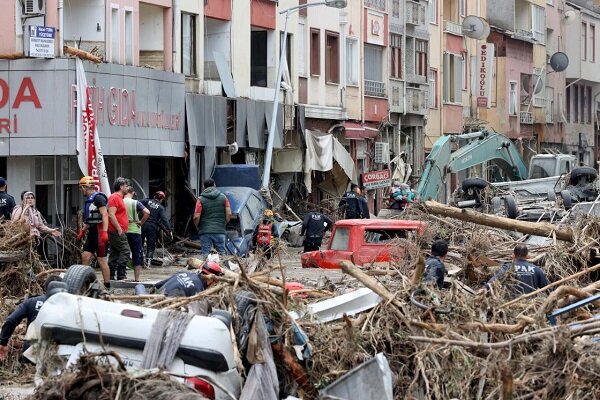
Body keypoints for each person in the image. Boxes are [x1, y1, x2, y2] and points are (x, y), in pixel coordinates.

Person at [0, 276, 63, 360]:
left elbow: (11, 320)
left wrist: (3, 342)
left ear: (45, 288)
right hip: (58, 353)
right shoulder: (69, 306)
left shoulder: (32, 302)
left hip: (31, 351)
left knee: (28, 371)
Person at [78, 176, 111, 289]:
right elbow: (91, 218)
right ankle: (86, 282)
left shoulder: (98, 198)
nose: (81, 191)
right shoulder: (90, 200)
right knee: (85, 256)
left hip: (100, 232)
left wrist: (105, 232)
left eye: (81, 188)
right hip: (92, 231)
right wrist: (83, 230)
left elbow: (105, 215)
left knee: (101, 260)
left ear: (85, 187)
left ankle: (107, 285)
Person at [483, 244, 549, 294]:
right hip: (531, 306)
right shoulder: (536, 269)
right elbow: (547, 289)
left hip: (511, 306)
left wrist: (483, 289)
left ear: (513, 255)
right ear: (527, 256)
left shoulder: (507, 267)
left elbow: (493, 281)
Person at [193, 178, 232, 255]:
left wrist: (198, 227)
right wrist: (223, 224)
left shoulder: (200, 199)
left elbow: (196, 217)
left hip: (205, 232)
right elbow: (229, 214)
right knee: (222, 256)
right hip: (220, 231)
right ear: (215, 185)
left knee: (205, 255)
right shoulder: (224, 197)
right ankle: (222, 266)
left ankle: (207, 267)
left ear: (204, 187)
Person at [107, 177, 132, 281]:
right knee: (125, 250)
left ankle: (111, 276)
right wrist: (119, 228)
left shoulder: (119, 198)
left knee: (114, 253)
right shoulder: (114, 197)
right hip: (116, 230)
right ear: (121, 187)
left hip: (116, 230)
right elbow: (111, 215)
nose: (128, 188)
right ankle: (121, 275)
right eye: (126, 186)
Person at [124, 187, 150, 282]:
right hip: (135, 230)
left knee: (123, 253)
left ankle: (120, 276)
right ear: (133, 193)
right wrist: (141, 222)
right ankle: (137, 279)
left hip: (123, 230)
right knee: (136, 254)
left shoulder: (120, 201)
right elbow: (147, 212)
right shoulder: (135, 203)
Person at [154, 261, 223, 297]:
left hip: (155, 296)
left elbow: (158, 285)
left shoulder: (184, 273)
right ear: (211, 279)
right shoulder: (198, 289)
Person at [140, 190, 173, 265]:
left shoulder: (146, 201)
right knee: (151, 245)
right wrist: (169, 229)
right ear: (161, 199)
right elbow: (164, 220)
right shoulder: (161, 208)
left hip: (142, 225)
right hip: (152, 228)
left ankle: (139, 260)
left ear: (154, 196)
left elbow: (136, 204)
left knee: (140, 243)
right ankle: (148, 262)